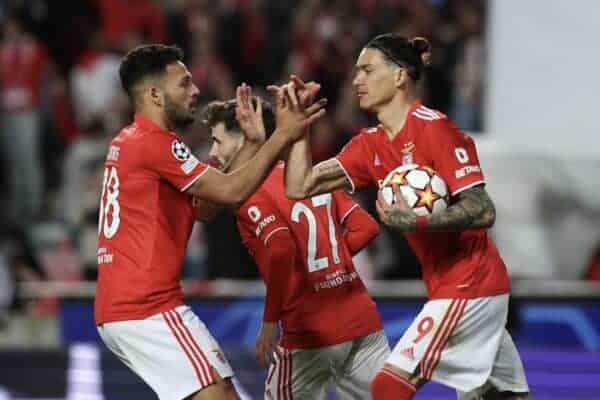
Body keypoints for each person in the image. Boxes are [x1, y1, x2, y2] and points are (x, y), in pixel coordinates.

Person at [281, 34, 530, 400]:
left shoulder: (436, 129)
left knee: (387, 386)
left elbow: (482, 208)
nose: (356, 81)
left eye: (367, 70)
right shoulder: (370, 145)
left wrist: (416, 222)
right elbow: (300, 186)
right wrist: (298, 130)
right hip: (452, 285)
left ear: (399, 76)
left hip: (470, 283)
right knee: (502, 397)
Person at [94, 44, 325, 400]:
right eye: (184, 83)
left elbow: (204, 208)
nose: (196, 90)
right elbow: (232, 191)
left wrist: (251, 144)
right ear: (155, 94)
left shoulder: (131, 141)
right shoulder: (156, 145)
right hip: (147, 307)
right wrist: (284, 133)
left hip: (125, 309)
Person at [202, 91, 390, 399]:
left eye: (218, 140)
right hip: (362, 322)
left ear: (244, 139)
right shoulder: (306, 175)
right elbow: (366, 227)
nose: (213, 151)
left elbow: (280, 249)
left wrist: (269, 321)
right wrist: (326, 262)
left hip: (310, 331)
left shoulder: (249, 193)